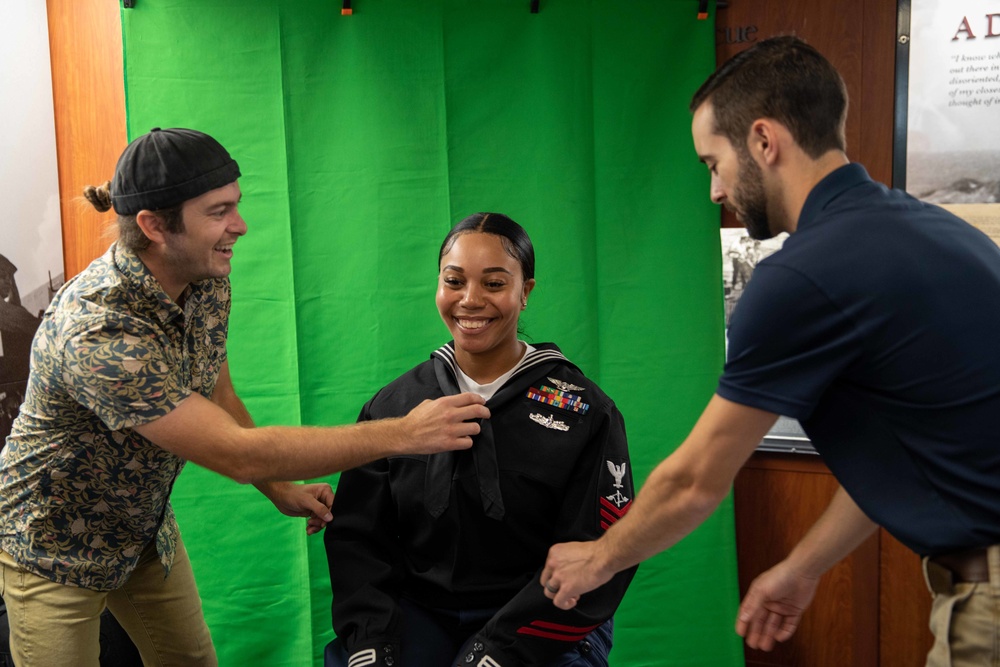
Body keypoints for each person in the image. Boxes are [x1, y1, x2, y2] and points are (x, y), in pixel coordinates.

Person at [539, 36, 1000, 667]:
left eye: (712, 163)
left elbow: (695, 480)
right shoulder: (936, 231)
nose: (713, 190)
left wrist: (598, 558)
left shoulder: (805, 275)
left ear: (763, 141)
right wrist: (803, 568)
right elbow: (912, 455)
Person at [0, 127, 489, 667]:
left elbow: (216, 388)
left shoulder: (205, 277)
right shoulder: (96, 331)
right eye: (218, 211)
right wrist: (403, 434)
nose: (240, 225)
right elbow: (236, 452)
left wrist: (279, 488)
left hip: (142, 531)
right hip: (51, 548)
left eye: (236, 205)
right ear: (154, 226)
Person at [324, 213, 637, 667]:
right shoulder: (395, 406)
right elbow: (357, 540)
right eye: (454, 281)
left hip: (538, 619)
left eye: (493, 284)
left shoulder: (587, 413)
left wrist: (497, 651)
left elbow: (604, 552)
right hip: (416, 614)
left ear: (525, 291)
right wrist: (374, 637)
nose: (470, 301)